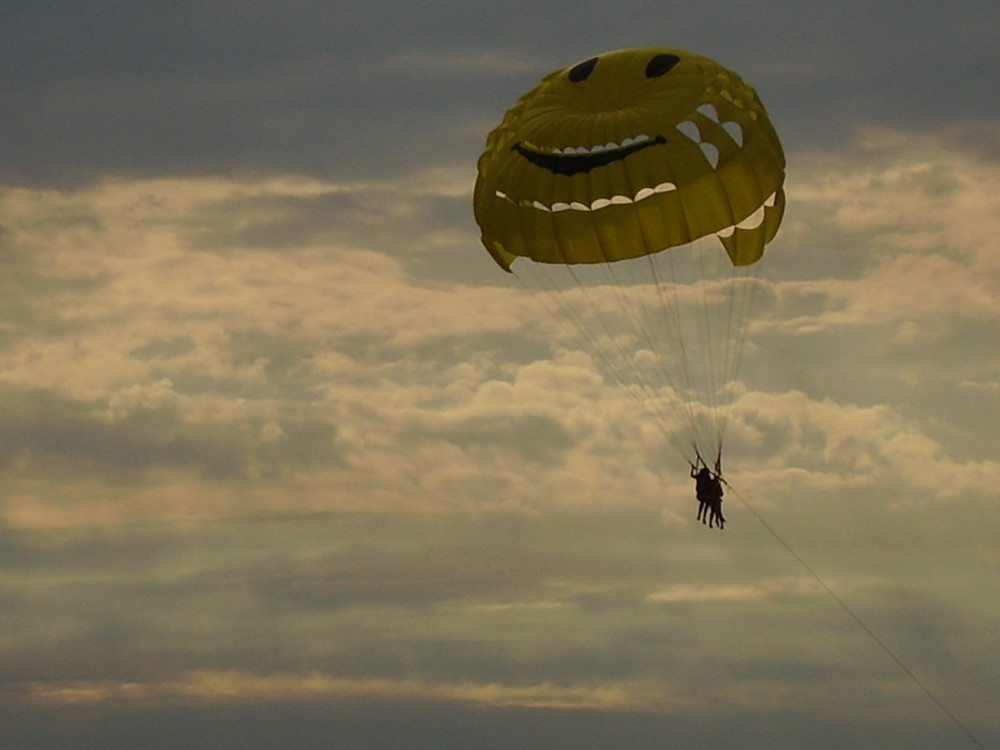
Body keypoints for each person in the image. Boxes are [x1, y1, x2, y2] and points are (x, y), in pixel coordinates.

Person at [690, 464, 725, 530]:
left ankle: (716, 521)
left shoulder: (708, 480)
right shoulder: (701, 477)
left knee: (713, 507)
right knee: (705, 503)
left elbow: (715, 486)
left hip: (708, 496)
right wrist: (692, 469)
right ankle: (701, 516)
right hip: (702, 494)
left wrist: (717, 476)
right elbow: (692, 475)